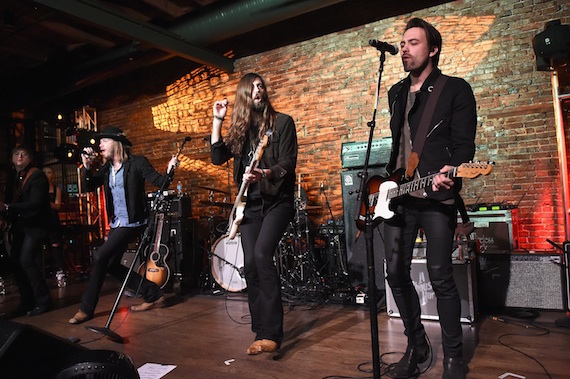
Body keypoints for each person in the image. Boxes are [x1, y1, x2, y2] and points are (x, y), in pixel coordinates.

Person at [383, 18, 477, 379]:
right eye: (402, 43)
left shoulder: (455, 89)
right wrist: (387, 185)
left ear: (433, 49)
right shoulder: (395, 93)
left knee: (440, 275)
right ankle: (416, 346)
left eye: (413, 43)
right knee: (394, 273)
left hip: (437, 198)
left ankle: (454, 357)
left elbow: (464, 144)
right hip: (400, 197)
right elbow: (397, 147)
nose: (404, 48)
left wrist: (451, 171)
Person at [211, 73, 298, 355]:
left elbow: (288, 161)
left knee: (262, 255)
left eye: (262, 86)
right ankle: (261, 332)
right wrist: (218, 120)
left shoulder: (282, 122)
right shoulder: (241, 131)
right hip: (249, 206)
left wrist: (264, 173)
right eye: (253, 87)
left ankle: (272, 333)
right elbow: (217, 156)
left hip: (277, 203)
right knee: (250, 266)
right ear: (244, 96)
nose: (259, 90)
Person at [69, 126, 179, 324]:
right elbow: (88, 187)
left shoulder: (137, 163)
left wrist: (170, 171)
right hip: (118, 223)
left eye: (104, 141)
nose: (100, 145)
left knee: (100, 256)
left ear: (116, 143)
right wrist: (86, 167)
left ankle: (86, 308)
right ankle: (153, 294)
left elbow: (160, 182)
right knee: (110, 265)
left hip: (134, 222)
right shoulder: (107, 168)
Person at [0, 146, 53, 316]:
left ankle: (44, 301)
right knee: (15, 263)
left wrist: (8, 206)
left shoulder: (36, 175)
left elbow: (36, 203)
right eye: (16, 153)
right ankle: (27, 301)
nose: (20, 156)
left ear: (30, 159)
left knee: (27, 261)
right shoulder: (13, 178)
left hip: (35, 225)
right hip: (20, 226)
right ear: (12, 159)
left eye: (24, 154)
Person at [42, 166, 65, 277]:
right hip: (41, 220)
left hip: (52, 220)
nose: (47, 174)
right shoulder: (38, 189)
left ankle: (59, 270)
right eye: (45, 172)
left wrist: (45, 202)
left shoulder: (56, 189)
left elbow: (57, 205)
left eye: (49, 172)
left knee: (55, 244)